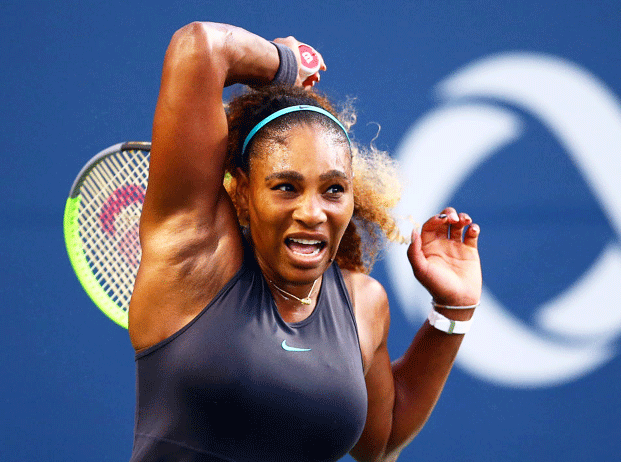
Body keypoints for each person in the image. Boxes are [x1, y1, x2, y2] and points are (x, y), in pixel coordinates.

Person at [128, 21, 482, 462]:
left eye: (334, 189)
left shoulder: (362, 304)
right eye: (285, 187)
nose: (313, 213)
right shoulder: (195, 257)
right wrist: (285, 65)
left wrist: (454, 311)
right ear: (241, 192)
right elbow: (200, 46)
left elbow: (380, 442)